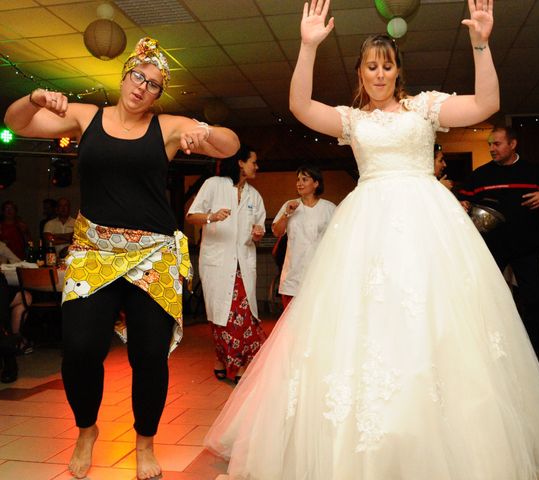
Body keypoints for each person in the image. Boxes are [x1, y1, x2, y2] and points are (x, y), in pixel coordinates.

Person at [205, 1, 539, 479]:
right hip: (367, 230)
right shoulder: (354, 121)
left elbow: (485, 104)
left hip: (427, 228)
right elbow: (299, 106)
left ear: (399, 72)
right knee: (365, 324)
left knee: (434, 323)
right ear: (360, 73)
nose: (379, 74)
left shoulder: (425, 108)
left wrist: (481, 43)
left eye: (387, 65)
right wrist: (308, 47)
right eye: (371, 66)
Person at [4, 36, 239, 480]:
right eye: (137, 76)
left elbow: (229, 145)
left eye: (152, 85)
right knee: (79, 350)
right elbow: (18, 123)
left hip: (152, 255)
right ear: (123, 74)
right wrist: (34, 96)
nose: (141, 87)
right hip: (95, 251)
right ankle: (87, 429)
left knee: (149, 356)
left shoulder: (165, 126)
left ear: (157, 95)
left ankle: (145, 442)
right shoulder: (85, 115)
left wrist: (203, 131)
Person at [458, 126, 539, 376]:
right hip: (491, 249)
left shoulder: (535, 172)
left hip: (527, 248)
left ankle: (534, 358)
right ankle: (489, 357)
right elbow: (462, 200)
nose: (492, 149)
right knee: (487, 302)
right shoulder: (480, 176)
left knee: (533, 301)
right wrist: (462, 203)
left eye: (497, 144)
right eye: (490, 145)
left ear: (513, 144)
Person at [186, 145, 266, 384]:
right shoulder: (214, 184)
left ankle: (240, 365)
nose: (257, 167)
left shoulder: (255, 196)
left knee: (243, 317)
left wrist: (258, 233)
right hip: (218, 264)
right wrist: (212, 216)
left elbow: (258, 229)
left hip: (243, 265)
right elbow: (192, 216)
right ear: (241, 163)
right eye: (254, 161)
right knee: (221, 317)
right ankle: (221, 360)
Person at [272, 164, 336, 308]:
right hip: (293, 272)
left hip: (319, 272)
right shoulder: (290, 205)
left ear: (316, 183)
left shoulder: (329, 208)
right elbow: (277, 232)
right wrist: (287, 214)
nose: (299, 183)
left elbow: (337, 240)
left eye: (305, 179)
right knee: (291, 322)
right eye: (298, 179)